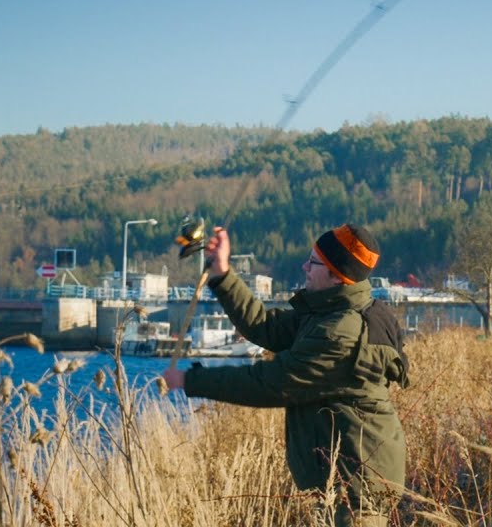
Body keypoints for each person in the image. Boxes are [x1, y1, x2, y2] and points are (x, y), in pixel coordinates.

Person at [162, 223, 409, 526]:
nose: (305, 266)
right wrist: (223, 274)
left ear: (337, 275)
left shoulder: (340, 332)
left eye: (314, 262)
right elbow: (267, 327)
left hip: (357, 488)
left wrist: (189, 380)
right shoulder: (331, 311)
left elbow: (270, 384)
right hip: (346, 481)